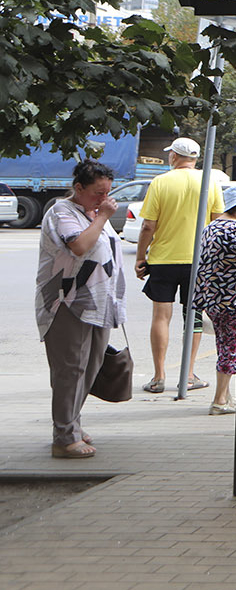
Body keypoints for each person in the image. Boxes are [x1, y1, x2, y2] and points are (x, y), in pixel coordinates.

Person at [35, 160, 126, 459]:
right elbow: (79, 246)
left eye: (107, 193)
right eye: (97, 193)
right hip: (67, 301)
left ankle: (72, 423)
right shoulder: (62, 212)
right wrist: (101, 217)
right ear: (79, 188)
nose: (104, 199)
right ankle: (63, 437)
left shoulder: (94, 212)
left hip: (99, 302)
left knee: (90, 367)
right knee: (70, 369)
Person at [135, 137, 223, 393]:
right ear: (195, 159)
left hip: (163, 260)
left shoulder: (160, 182)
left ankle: (159, 376)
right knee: (193, 317)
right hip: (198, 262)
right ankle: (189, 374)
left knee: (161, 317)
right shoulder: (211, 182)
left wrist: (141, 257)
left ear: (174, 156)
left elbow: (148, 226)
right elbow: (216, 224)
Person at [193, 183, 236, 415]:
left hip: (212, 299)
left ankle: (226, 396)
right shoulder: (235, 230)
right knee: (230, 348)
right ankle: (219, 400)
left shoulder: (210, 228)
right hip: (232, 299)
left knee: (223, 345)